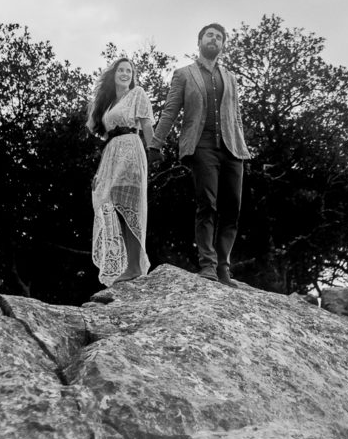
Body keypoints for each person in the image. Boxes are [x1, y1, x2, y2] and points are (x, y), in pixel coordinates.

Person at [147, 23, 251, 286]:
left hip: (231, 148)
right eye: (209, 35)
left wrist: (241, 145)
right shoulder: (184, 74)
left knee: (232, 209)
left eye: (219, 37)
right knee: (208, 204)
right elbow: (170, 110)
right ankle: (207, 264)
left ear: (223, 44)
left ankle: (224, 267)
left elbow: (235, 115)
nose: (214, 39)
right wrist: (156, 143)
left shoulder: (231, 77)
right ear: (200, 41)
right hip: (202, 145)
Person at [87, 58, 155, 286]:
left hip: (131, 149)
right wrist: (99, 173)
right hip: (112, 154)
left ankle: (135, 266)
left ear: (133, 76)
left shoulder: (138, 94)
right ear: (114, 74)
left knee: (129, 205)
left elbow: (147, 125)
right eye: (121, 70)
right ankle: (128, 263)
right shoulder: (107, 104)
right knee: (110, 204)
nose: (125, 73)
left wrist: (153, 150)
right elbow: (106, 137)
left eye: (129, 71)